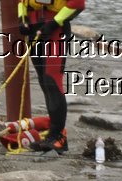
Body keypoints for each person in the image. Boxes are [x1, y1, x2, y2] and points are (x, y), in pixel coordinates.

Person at [18, 0, 84, 154]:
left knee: (52, 80)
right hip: (34, 29)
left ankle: (58, 136)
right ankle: (52, 135)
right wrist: (22, 19)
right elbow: (21, 2)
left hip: (55, 30)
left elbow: (78, 3)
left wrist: (54, 23)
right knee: (43, 81)